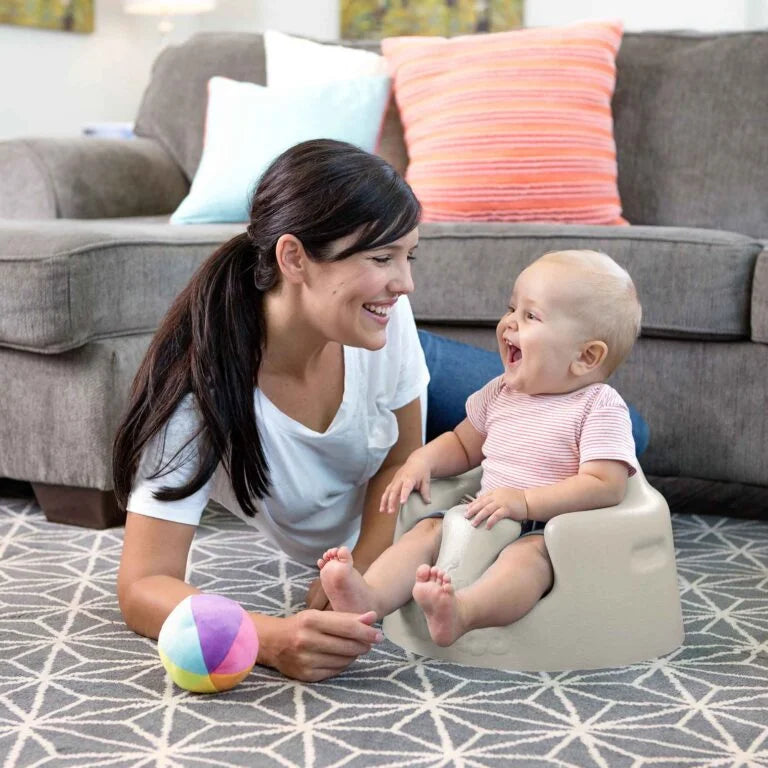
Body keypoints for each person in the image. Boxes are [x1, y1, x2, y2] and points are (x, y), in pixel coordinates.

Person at [113, 139, 428, 682]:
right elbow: (143, 584)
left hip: (402, 372)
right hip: (348, 354)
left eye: (407, 256)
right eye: (382, 258)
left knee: (608, 427)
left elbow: (403, 457)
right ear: (293, 258)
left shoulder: (385, 316)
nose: (405, 283)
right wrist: (268, 637)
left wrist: (365, 567)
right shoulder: (198, 393)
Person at [317, 249, 641, 647]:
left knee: (527, 563)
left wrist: (525, 502)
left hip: (550, 529)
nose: (509, 324)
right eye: (511, 308)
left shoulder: (598, 406)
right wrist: (423, 460)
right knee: (426, 531)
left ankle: (464, 613)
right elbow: (462, 444)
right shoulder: (501, 392)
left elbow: (605, 485)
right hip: (482, 511)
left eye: (530, 316)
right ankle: (369, 597)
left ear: (586, 356)